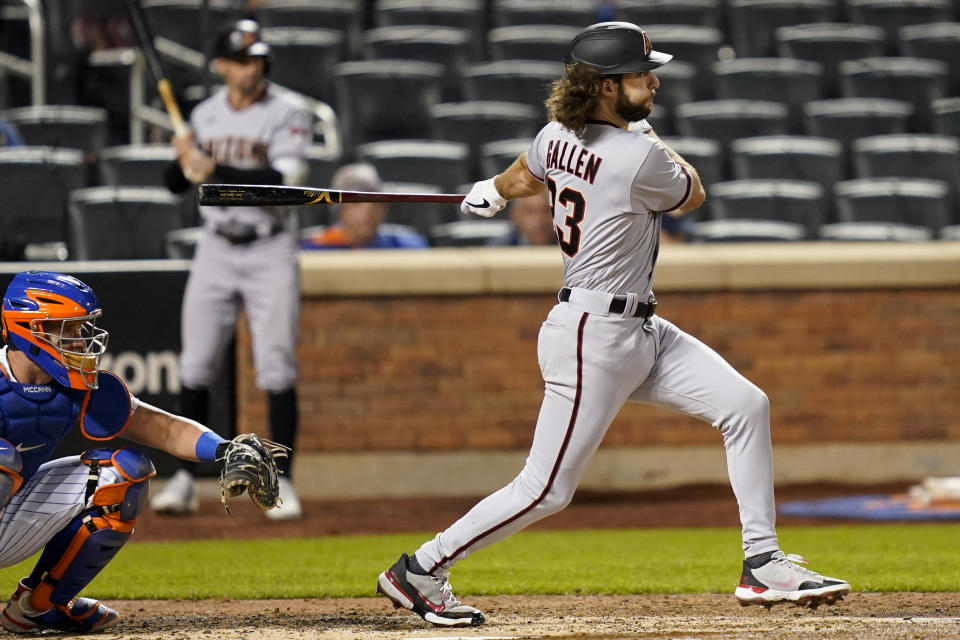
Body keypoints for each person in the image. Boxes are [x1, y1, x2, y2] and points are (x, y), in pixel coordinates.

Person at [376, 22, 850, 628]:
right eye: (639, 75)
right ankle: (420, 567)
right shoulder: (639, 154)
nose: (653, 81)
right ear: (605, 86)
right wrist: (633, 135)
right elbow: (694, 193)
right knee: (546, 489)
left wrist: (493, 191)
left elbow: (530, 168)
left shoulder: (557, 134)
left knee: (746, 405)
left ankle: (762, 562)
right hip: (591, 337)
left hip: (641, 331)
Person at [0, 271, 236, 633]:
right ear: (31, 328)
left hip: (8, 516)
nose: (80, 342)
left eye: (81, 330)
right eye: (69, 330)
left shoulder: (78, 385)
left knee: (124, 473)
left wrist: (226, 450)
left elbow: (166, 429)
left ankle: (36, 607)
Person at [157, 19, 311, 520]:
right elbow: (173, 185)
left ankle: (281, 480)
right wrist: (183, 164)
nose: (253, 67)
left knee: (276, 365)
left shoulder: (288, 111)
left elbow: (285, 181)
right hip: (216, 247)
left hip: (269, 247)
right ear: (222, 65)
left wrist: (213, 169)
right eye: (243, 60)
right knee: (196, 365)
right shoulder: (203, 115)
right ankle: (182, 480)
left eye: (258, 59)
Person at [300, 163, 429, 249]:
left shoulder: (407, 248)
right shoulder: (313, 249)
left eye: (376, 202)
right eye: (357, 203)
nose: (368, 211)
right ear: (340, 210)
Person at [487, 190, 558, 246]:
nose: (540, 219)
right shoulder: (500, 249)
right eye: (530, 211)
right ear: (515, 216)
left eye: (546, 211)